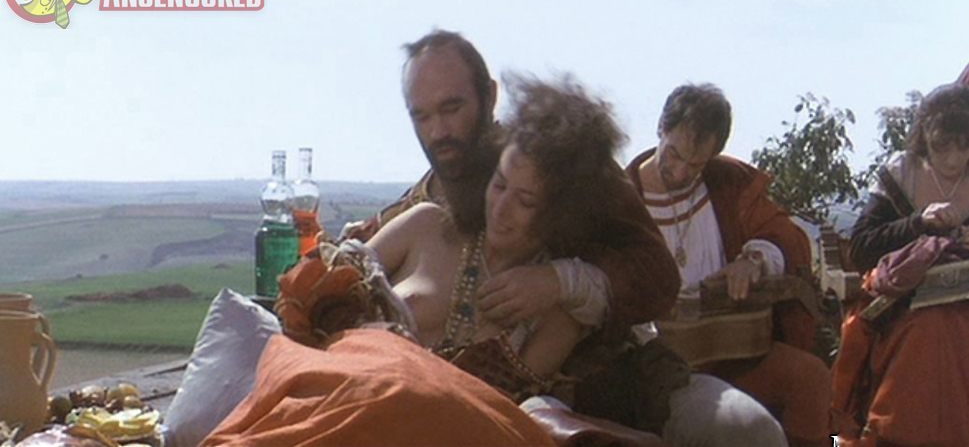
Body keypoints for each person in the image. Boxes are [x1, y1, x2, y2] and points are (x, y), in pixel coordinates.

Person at [204, 76, 667, 446]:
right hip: (330, 408)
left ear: (560, 214)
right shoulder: (426, 224)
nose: (502, 208)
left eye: (526, 201)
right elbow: (309, 308)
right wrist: (366, 341)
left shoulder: (559, 312)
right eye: (500, 184)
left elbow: (494, 417)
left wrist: (414, 383)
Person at [345, 30, 680, 344]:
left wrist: (561, 281)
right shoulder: (419, 207)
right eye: (422, 117)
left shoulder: (559, 161)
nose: (438, 132)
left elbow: (658, 277)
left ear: (489, 96)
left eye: (452, 108)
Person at [625, 83, 831, 447]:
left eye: (696, 164)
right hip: (653, 365)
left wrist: (753, 260)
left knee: (809, 376)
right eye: (674, 155)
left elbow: (784, 236)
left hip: (729, 350)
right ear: (661, 129)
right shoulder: (623, 198)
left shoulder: (728, 183)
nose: (681, 172)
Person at [832, 82, 969, 446]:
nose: (953, 159)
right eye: (943, 146)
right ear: (925, 138)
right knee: (933, 330)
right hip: (901, 303)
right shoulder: (903, 172)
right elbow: (862, 248)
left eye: (964, 146)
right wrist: (918, 223)